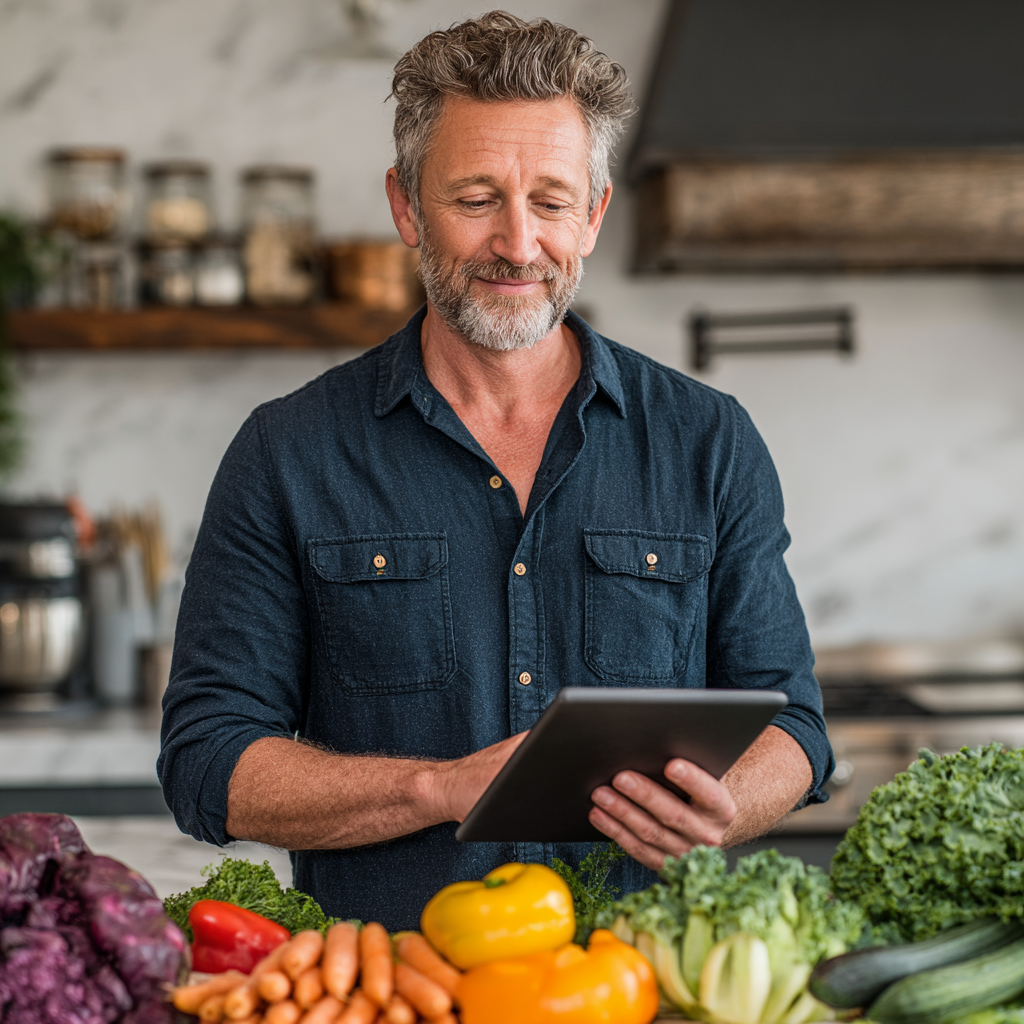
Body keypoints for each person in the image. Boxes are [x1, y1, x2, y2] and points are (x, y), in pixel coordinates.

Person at [159, 11, 832, 929]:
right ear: (405, 205)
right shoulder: (287, 453)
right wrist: (438, 788)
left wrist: (732, 804)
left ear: (593, 215)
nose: (518, 244)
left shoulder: (707, 440)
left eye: (551, 201)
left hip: (635, 989)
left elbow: (792, 724)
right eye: (476, 198)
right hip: (395, 992)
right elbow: (208, 759)